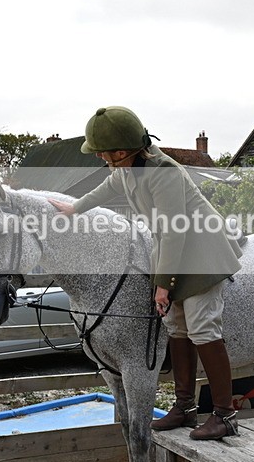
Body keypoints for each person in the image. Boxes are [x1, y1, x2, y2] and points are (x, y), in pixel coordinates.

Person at [48, 106, 242, 440]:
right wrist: (75, 207)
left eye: (101, 153)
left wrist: (163, 287)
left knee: (202, 328)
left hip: (201, 251)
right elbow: (108, 188)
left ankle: (225, 415)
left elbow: (173, 232)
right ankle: (185, 408)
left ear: (120, 151)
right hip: (173, 249)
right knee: (177, 329)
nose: (99, 158)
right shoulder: (127, 167)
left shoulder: (162, 171)